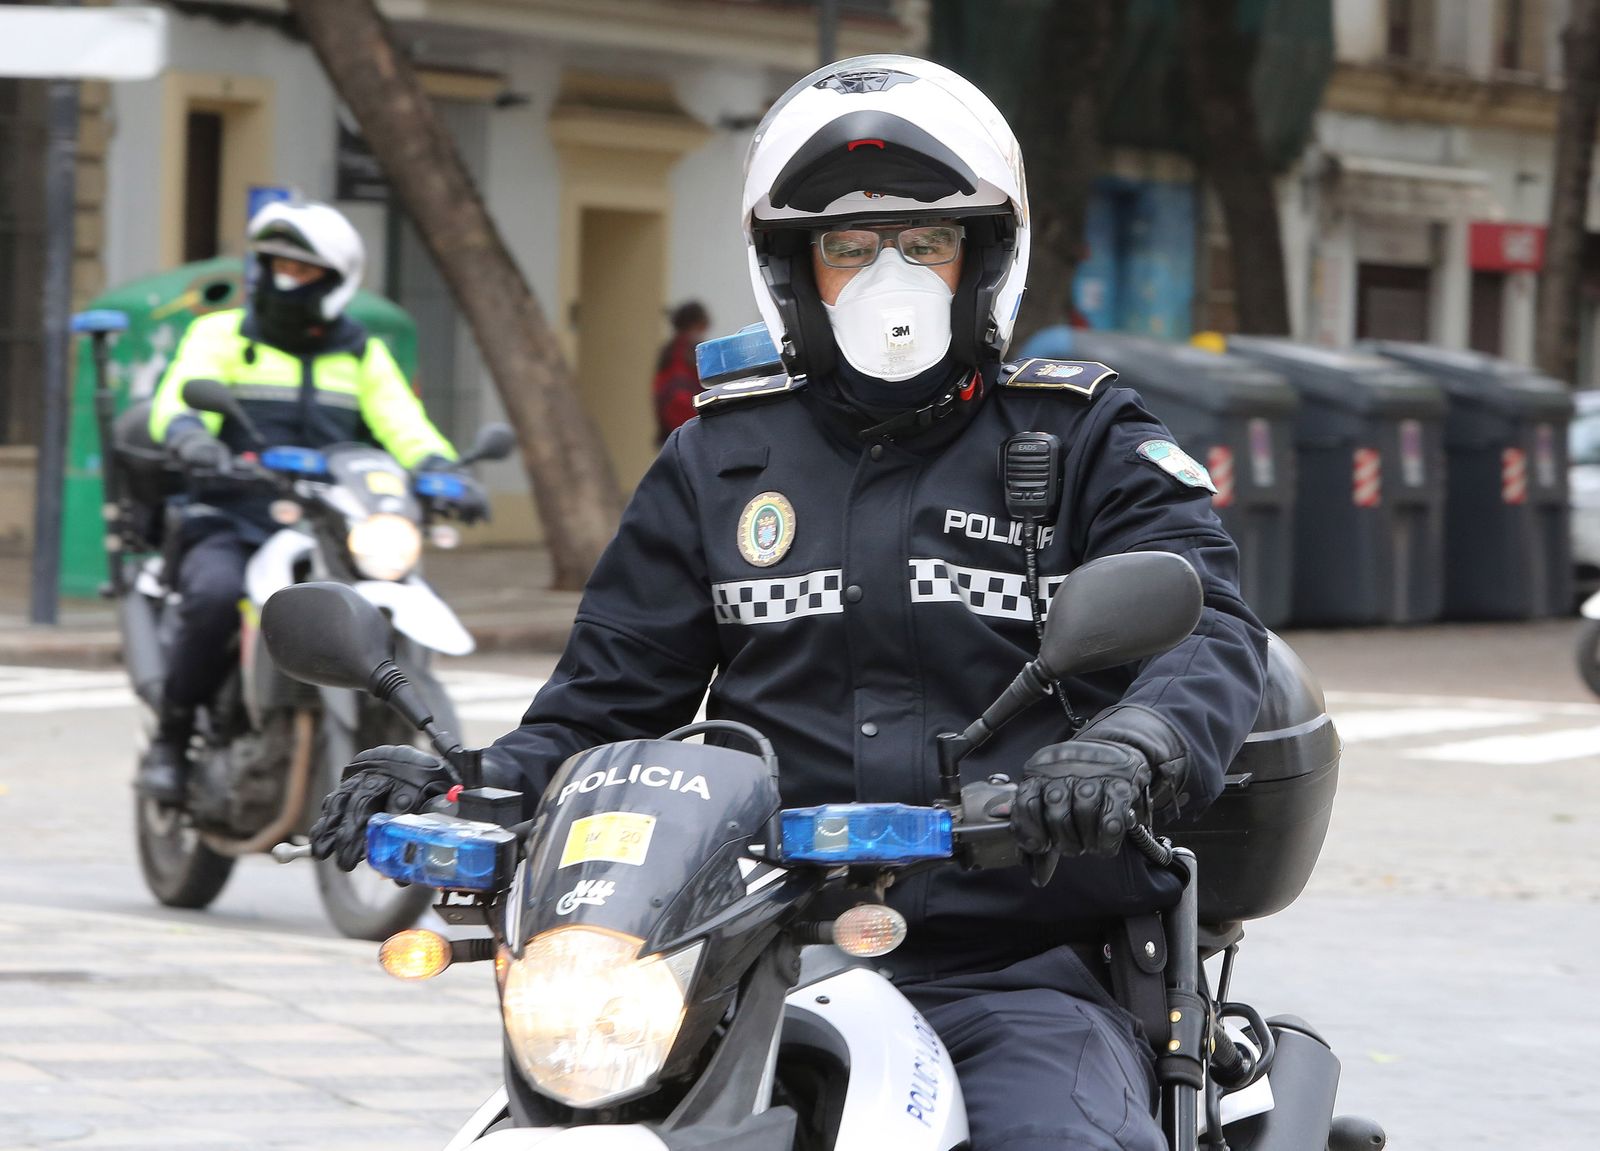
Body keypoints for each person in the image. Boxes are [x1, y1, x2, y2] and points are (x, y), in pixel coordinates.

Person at [312, 56, 1266, 1151]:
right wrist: (457, 783)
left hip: (1012, 966)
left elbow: (1209, 623)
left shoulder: (1081, 433)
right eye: (848, 249)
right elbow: (602, 705)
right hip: (741, 960)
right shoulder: (721, 455)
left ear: (984, 259)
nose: (885, 278)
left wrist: (1130, 744)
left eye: (925, 242)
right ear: (793, 272)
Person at [136, 199, 488, 805]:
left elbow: (406, 427)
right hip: (235, 514)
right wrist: (192, 437)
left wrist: (442, 471)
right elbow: (177, 401)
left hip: (332, 519)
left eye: (300, 270)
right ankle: (170, 742)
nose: (283, 279)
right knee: (215, 595)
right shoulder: (220, 334)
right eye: (274, 264)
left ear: (335, 280)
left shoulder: (361, 354)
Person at [652, 300, 711, 442]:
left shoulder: (669, 352)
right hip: (686, 431)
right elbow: (682, 400)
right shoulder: (686, 354)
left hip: (673, 432)